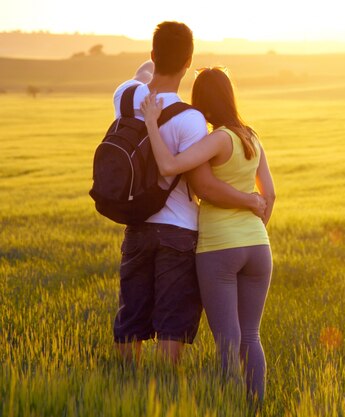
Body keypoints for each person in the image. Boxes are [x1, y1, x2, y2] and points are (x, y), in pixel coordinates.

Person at [112, 22, 266, 364]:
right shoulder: (192, 119)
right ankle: (166, 392)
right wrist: (252, 202)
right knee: (172, 322)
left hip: (137, 225)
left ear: (152, 54)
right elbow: (204, 185)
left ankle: (125, 388)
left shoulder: (124, 95)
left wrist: (149, 69)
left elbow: (139, 76)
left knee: (131, 317)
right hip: (179, 230)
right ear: (188, 62)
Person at [141, 66, 275, 403]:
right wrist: (252, 228)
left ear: (205, 104)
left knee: (228, 340)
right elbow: (269, 195)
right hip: (258, 246)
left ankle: (229, 407)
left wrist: (152, 124)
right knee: (251, 337)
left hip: (219, 248)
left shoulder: (217, 139)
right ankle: (255, 407)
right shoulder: (252, 138)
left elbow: (170, 166)